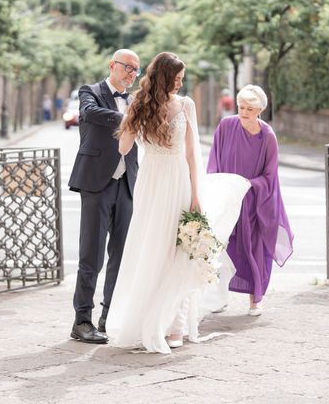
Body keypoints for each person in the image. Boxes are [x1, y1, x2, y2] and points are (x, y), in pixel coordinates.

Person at [105, 52, 248, 353]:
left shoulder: (183, 104)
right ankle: (157, 323)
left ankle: (176, 326)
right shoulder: (140, 104)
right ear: (164, 77)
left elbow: (192, 154)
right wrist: (130, 115)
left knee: (182, 251)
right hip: (156, 183)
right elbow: (123, 145)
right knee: (155, 251)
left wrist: (196, 195)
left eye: (182, 79)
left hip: (174, 181)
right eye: (177, 79)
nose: (180, 84)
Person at [68, 49, 140, 345]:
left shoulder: (135, 101)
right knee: (91, 257)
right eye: (127, 67)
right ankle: (81, 321)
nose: (131, 74)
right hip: (96, 184)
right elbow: (89, 114)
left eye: (136, 70)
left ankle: (108, 317)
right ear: (112, 65)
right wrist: (128, 117)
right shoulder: (91, 92)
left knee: (121, 256)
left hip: (126, 184)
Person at [207, 84, 294, 316]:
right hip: (227, 197)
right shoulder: (226, 126)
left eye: (250, 109)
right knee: (221, 247)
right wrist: (215, 186)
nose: (244, 112)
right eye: (241, 107)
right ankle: (218, 297)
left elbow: (270, 175)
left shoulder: (268, 136)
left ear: (260, 111)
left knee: (255, 249)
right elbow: (214, 159)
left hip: (255, 201)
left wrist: (249, 184)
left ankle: (255, 300)